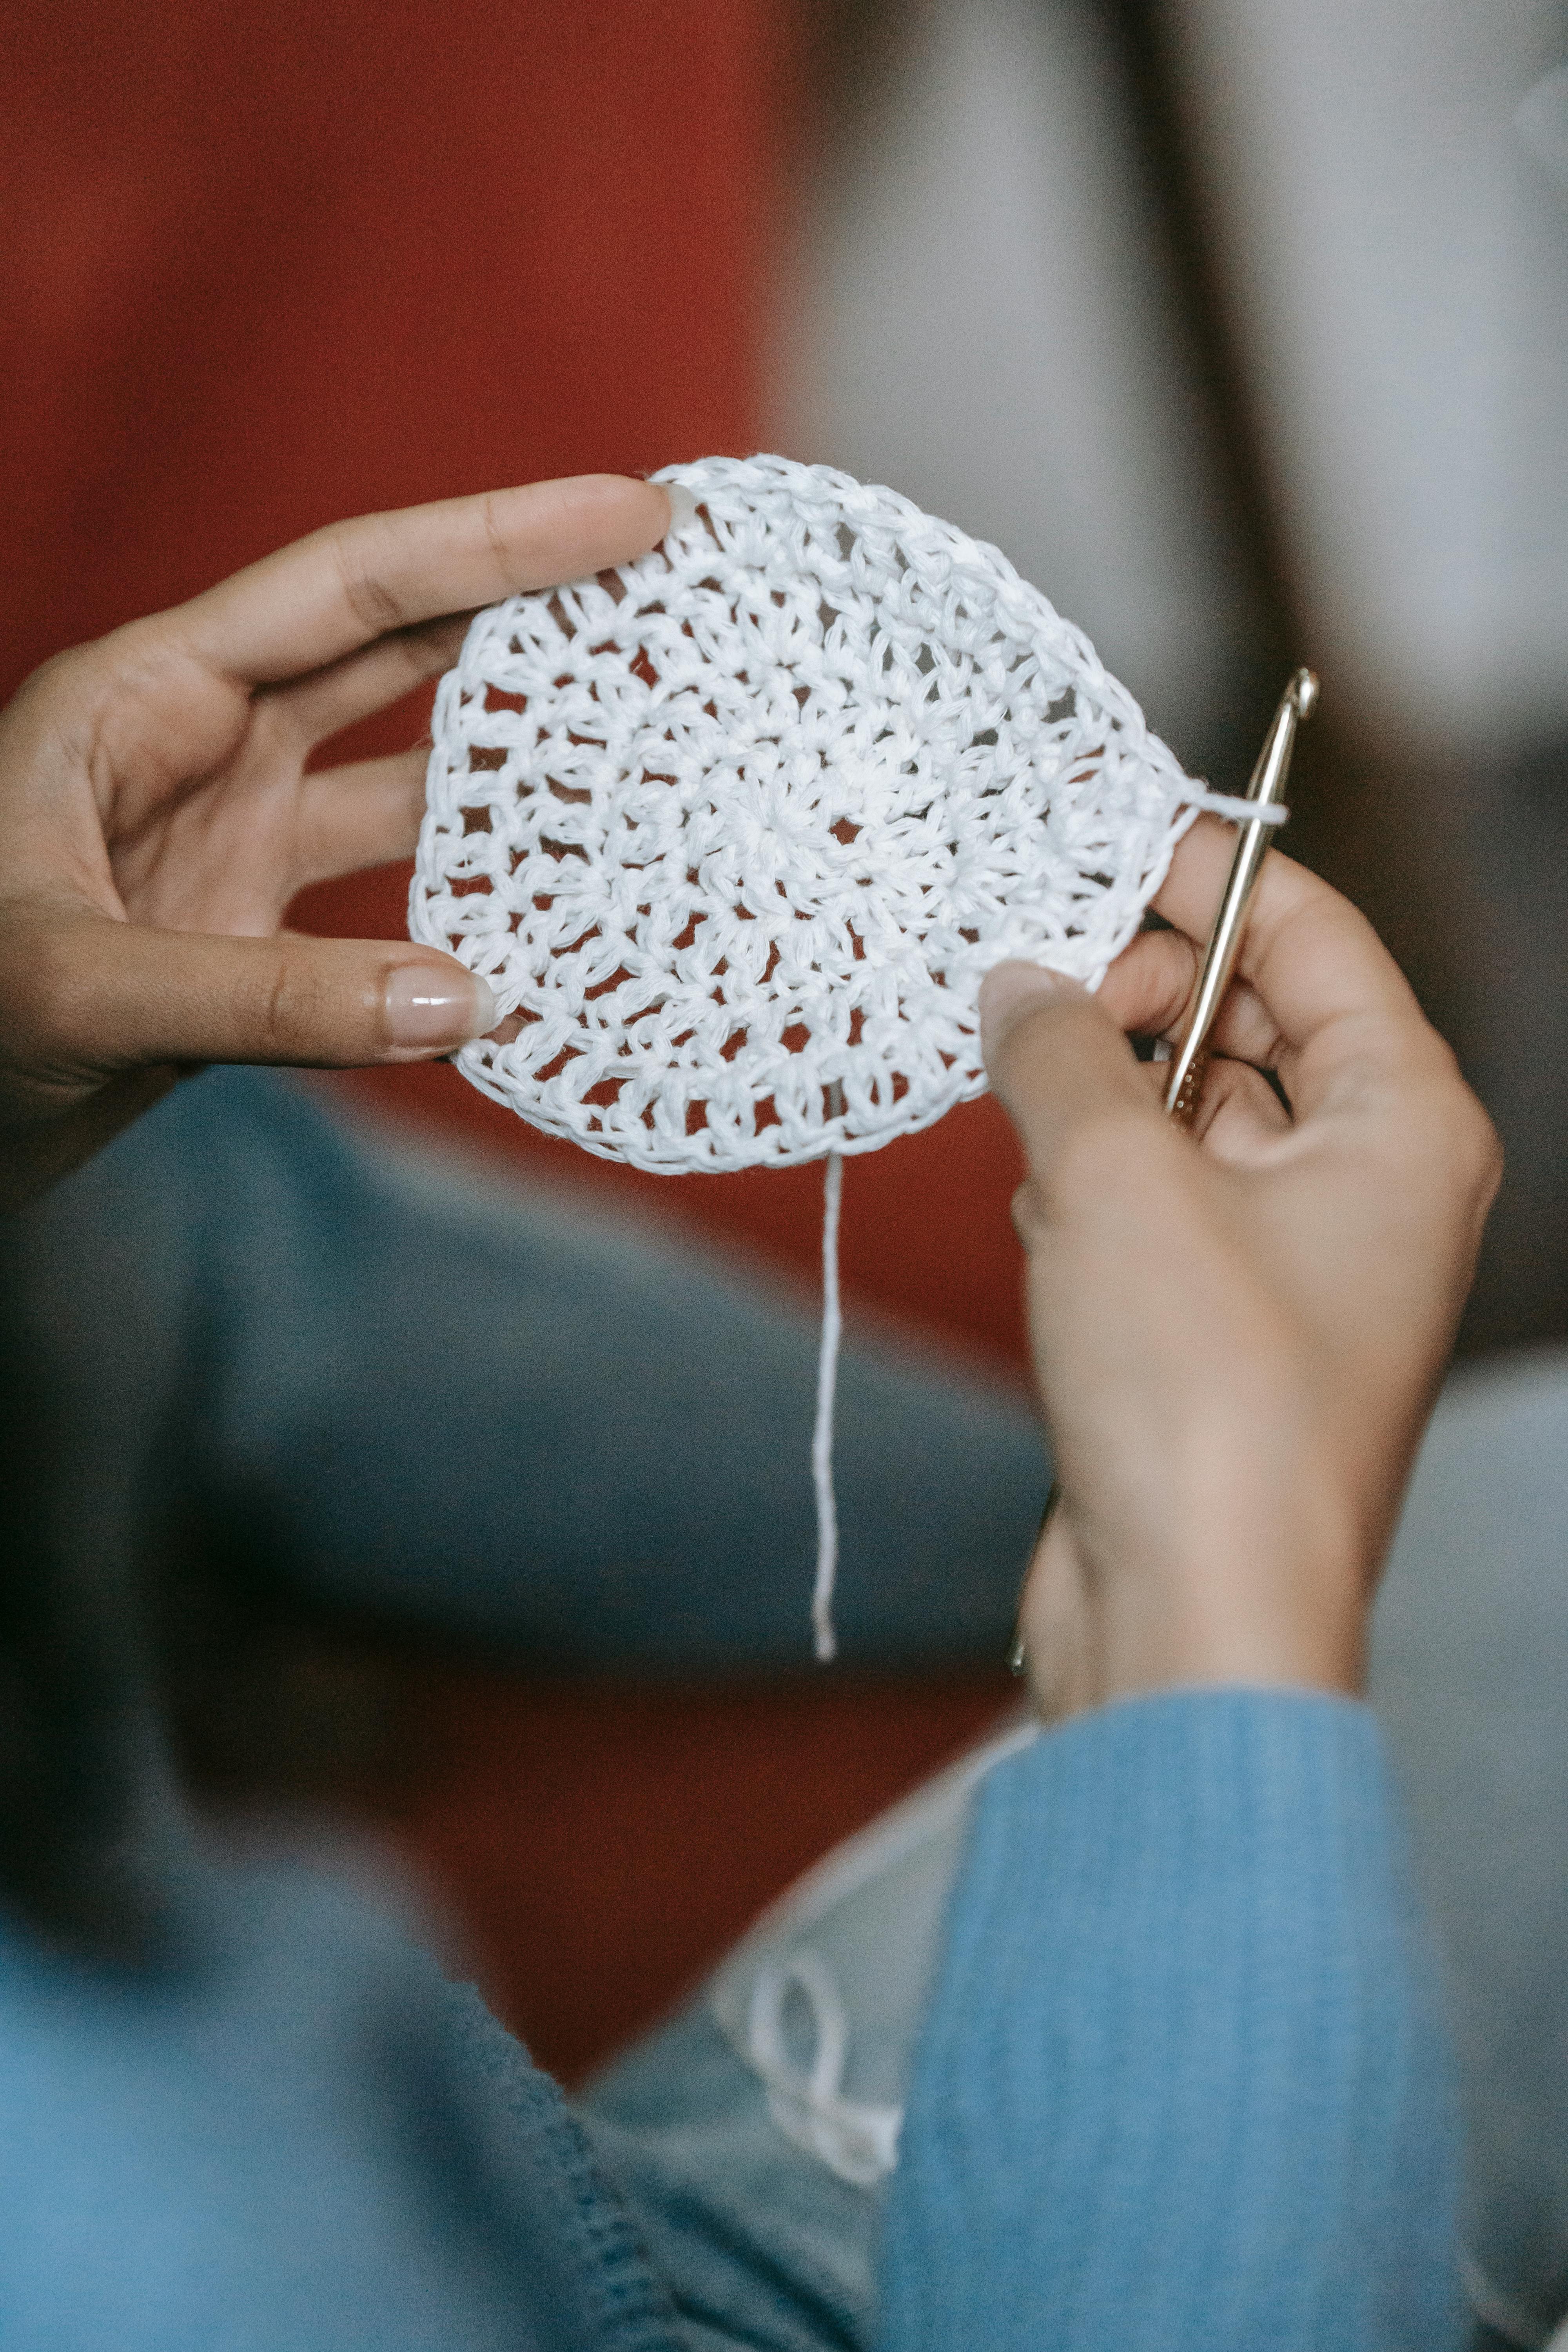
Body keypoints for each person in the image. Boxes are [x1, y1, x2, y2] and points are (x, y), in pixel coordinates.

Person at [0, 479, 1499, 2347]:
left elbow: (247, 1263)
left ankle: (1017, 1522)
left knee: (193, 1216)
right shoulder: (129, 2226)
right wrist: (1216, 1597)